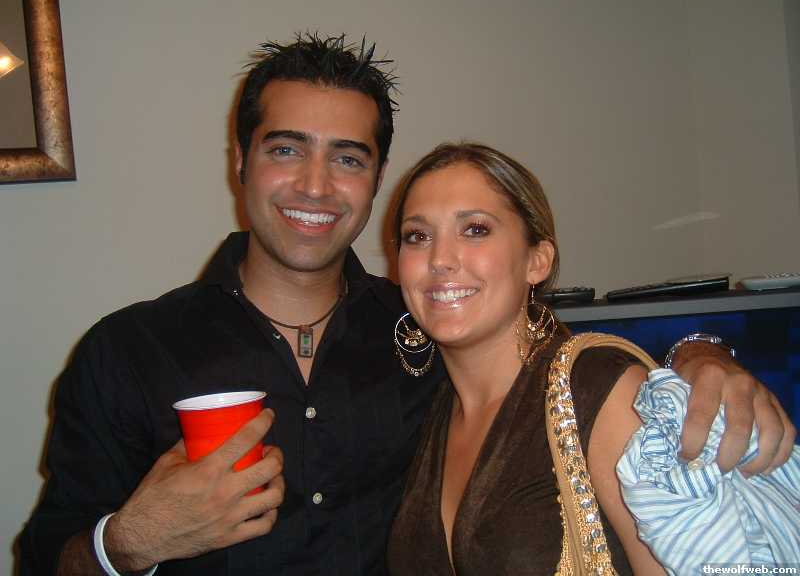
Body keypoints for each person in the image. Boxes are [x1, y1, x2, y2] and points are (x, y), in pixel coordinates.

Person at [19, 35, 794, 576]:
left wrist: (700, 353)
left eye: (347, 158)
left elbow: (560, 371)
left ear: (375, 178)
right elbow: (44, 559)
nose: (316, 185)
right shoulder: (129, 352)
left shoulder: (425, 326)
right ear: (241, 161)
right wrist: (127, 544)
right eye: (286, 149)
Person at [386, 142, 798, 574]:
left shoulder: (596, 389)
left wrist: (700, 351)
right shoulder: (428, 407)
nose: (439, 259)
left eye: (475, 229)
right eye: (418, 236)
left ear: (537, 261)